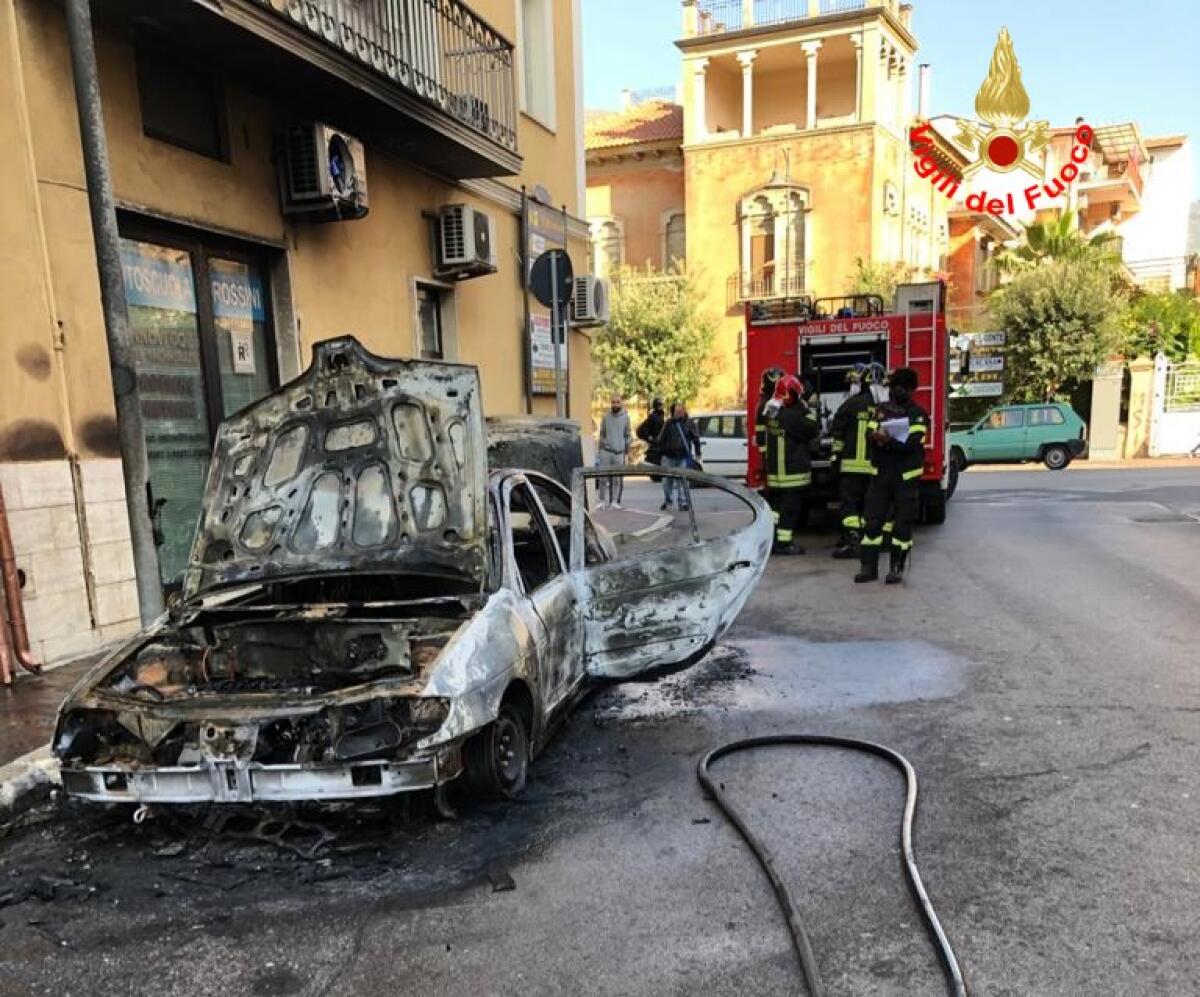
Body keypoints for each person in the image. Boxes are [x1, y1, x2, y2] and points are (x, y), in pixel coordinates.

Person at [855, 367, 928, 585]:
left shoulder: (917, 414)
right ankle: (868, 567)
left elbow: (912, 442)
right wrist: (875, 436)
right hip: (881, 476)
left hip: (905, 478)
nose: (899, 391)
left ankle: (896, 568)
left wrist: (888, 441)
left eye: (903, 387)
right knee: (871, 523)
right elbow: (868, 432)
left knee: (902, 526)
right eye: (896, 386)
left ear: (912, 390)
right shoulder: (881, 410)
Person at [763, 374, 819, 555]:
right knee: (790, 511)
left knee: (776, 510)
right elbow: (812, 428)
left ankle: (773, 541)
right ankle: (784, 544)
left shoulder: (771, 413)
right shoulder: (793, 415)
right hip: (791, 475)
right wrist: (809, 407)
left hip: (775, 476)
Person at [829, 363, 876, 559]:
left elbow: (837, 435)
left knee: (849, 506)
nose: (850, 386)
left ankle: (852, 541)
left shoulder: (849, 405)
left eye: (852, 382)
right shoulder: (878, 404)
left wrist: (835, 460)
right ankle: (865, 539)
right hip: (873, 469)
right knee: (867, 506)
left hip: (851, 468)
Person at [753, 366, 786, 531]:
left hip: (774, 456)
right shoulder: (769, 404)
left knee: (776, 494)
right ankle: (775, 528)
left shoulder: (767, 402)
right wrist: (767, 454)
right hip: (774, 457)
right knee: (776, 495)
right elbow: (761, 433)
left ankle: (775, 528)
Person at [657, 402, 701, 511]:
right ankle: (668, 500)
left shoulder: (689, 424)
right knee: (667, 482)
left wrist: (698, 452)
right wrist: (661, 452)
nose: (677, 414)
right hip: (668, 457)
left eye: (679, 412)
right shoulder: (669, 423)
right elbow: (661, 438)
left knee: (683, 481)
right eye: (676, 412)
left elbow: (696, 438)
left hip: (682, 457)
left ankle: (683, 502)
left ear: (684, 412)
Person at [596, 394, 632, 509]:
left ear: (621, 403)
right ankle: (602, 500)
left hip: (619, 452)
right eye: (613, 402)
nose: (615, 404)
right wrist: (601, 448)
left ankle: (614, 501)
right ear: (611, 403)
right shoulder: (605, 417)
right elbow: (602, 433)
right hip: (606, 451)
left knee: (616, 479)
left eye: (617, 402)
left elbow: (628, 434)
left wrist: (627, 451)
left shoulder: (626, 417)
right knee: (602, 477)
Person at [637, 397, 666, 466]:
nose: (660, 406)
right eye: (658, 405)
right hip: (654, 447)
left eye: (661, 404)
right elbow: (641, 430)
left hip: (660, 446)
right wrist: (649, 437)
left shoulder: (661, 415)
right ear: (655, 405)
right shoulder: (652, 416)